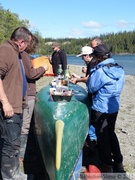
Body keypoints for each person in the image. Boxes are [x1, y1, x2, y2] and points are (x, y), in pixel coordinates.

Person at [86, 44, 125, 173]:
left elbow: (91, 87)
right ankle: (118, 162)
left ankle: (107, 164)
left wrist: (91, 75)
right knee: (111, 133)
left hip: (101, 108)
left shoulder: (101, 71)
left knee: (102, 136)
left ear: (98, 57)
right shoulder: (119, 69)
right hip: (114, 107)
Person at [0, 27, 32, 180]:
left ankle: (16, 173)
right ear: (21, 42)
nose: (27, 47)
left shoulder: (15, 52)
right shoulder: (6, 50)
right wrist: (5, 102)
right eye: (27, 44)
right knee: (9, 145)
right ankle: (8, 177)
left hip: (16, 106)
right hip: (9, 108)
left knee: (14, 144)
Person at [19, 34, 48, 162]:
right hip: (27, 95)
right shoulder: (25, 55)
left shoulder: (22, 55)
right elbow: (30, 74)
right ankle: (21, 155)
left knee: (24, 124)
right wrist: (43, 69)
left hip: (28, 93)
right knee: (25, 125)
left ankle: (22, 152)